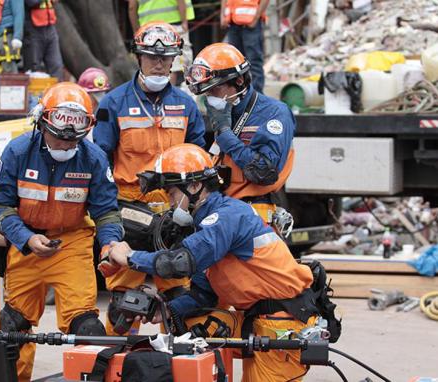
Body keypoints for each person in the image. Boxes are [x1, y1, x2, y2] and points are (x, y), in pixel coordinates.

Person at [107, 143, 318, 381]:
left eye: (172, 193)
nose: (169, 202)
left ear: (195, 186)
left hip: (282, 324)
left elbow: (179, 263)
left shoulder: (227, 216)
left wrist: (130, 257)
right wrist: (167, 309)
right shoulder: (205, 224)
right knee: (181, 322)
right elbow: (203, 295)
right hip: (255, 319)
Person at [0, 82, 123, 382]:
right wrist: (25, 238)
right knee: (12, 326)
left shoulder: (94, 158)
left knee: (87, 327)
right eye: (57, 139)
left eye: (72, 142)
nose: (64, 146)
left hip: (71, 242)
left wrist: (111, 243)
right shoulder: (18, 151)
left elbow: (106, 211)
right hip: (25, 241)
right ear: (41, 123)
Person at [92, 21, 205, 335]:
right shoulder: (113, 103)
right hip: (129, 208)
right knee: (123, 307)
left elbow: (198, 158)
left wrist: (189, 208)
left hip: (172, 211)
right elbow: (99, 161)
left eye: (166, 57)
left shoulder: (186, 105)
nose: (159, 63)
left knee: (181, 300)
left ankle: (176, 364)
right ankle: (112, 367)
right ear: (137, 57)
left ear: (174, 60)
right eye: (151, 56)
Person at [185, 42, 295, 230]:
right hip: (219, 212)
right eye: (206, 92)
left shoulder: (274, 113)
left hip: (255, 217)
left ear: (239, 81)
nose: (210, 97)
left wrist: (227, 138)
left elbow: (264, 172)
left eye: (215, 89)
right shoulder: (221, 112)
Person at [128, 0, 194, 85]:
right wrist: (184, 22)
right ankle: (167, 95)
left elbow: (132, 7)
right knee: (171, 63)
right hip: (173, 24)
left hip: (147, 28)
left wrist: (136, 30)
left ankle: (151, 92)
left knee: (150, 62)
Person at [221, 0, 269, 93]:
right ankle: (239, 94)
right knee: (235, 63)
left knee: (254, 60)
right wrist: (223, 15)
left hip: (250, 23)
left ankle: (257, 96)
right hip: (233, 22)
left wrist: (255, 18)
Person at [23, 0, 63, 80]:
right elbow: (32, 2)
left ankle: (56, 91)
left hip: (50, 26)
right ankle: (33, 92)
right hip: (33, 29)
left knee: (56, 65)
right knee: (33, 68)